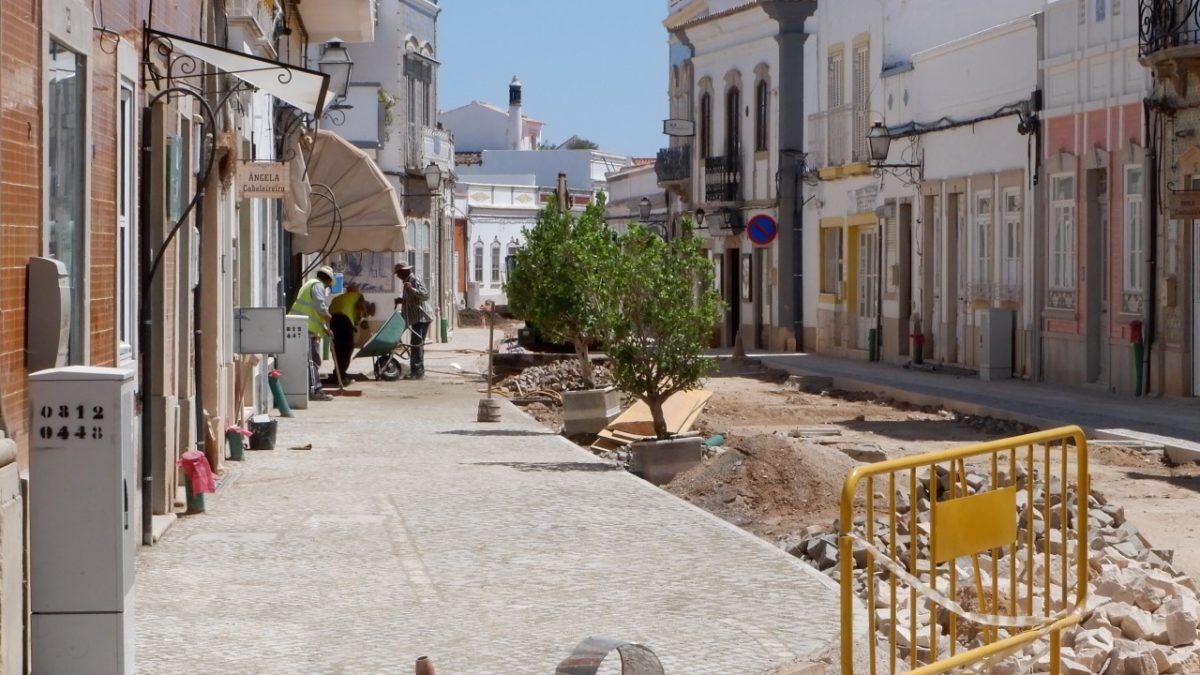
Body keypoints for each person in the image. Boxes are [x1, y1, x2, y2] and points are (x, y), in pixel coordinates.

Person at [289, 266, 336, 401]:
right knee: (312, 361)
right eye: (328, 284)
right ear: (327, 279)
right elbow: (319, 306)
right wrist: (328, 316)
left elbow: (312, 310)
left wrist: (324, 328)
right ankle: (315, 390)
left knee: (310, 360)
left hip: (302, 326)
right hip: (306, 328)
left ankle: (311, 389)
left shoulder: (309, 284)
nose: (327, 286)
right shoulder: (317, 286)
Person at [393, 262, 433, 379]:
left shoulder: (414, 280)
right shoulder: (406, 282)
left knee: (416, 345)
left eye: (398, 273)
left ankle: (417, 372)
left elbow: (425, 295)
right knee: (415, 345)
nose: (397, 276)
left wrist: (412, 288)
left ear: (403, 271)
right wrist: (401, 300)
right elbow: (412, 299)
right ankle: (417, 371)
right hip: (415, 318)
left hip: (422, 318)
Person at [328, 282, 371, 382]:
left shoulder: (337, 298)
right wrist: (361, 319)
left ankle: (338, 373)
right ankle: (341, 376)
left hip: (332, 322)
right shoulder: (359, 296)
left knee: (337, 349)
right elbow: (361, 310)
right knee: (347, 349)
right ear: (355, 291)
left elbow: (330, 310)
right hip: (344, 320)